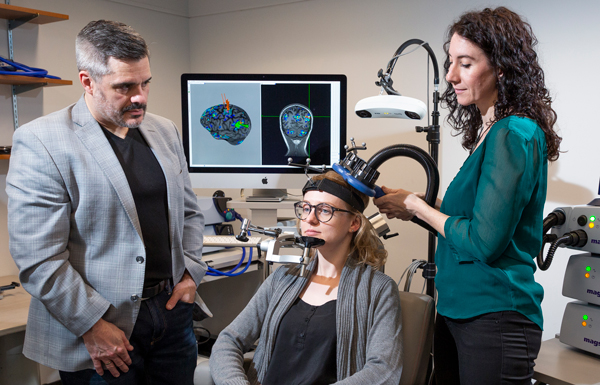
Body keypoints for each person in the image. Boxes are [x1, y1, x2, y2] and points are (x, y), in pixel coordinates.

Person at [6, 20, 206, 384]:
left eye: (145, 83)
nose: (140, 97)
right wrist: (92, 325)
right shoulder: (42, 141)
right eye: (124, 87)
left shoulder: (164, 131)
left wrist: (191, 272)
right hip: (101, 330)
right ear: (88, 81)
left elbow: (189, 212)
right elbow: (38, 258)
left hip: (172, 316)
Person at [374, 7, 561, 385]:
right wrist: (416, 204)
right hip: (458, 311)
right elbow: (478, 215)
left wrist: (416, 207)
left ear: (502, 68)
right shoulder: (490, 132)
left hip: (496, 317)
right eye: (449, 62)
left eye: (466, 63)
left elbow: (484, 241)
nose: (451, 76)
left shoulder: (514, 134)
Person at [209, 171, 403, 385]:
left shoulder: (378, 289)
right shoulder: (282, 278)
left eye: (325, 210)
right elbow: (228, 342)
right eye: (307, 208)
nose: (310, 218)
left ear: (354, 223)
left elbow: (384, 370)